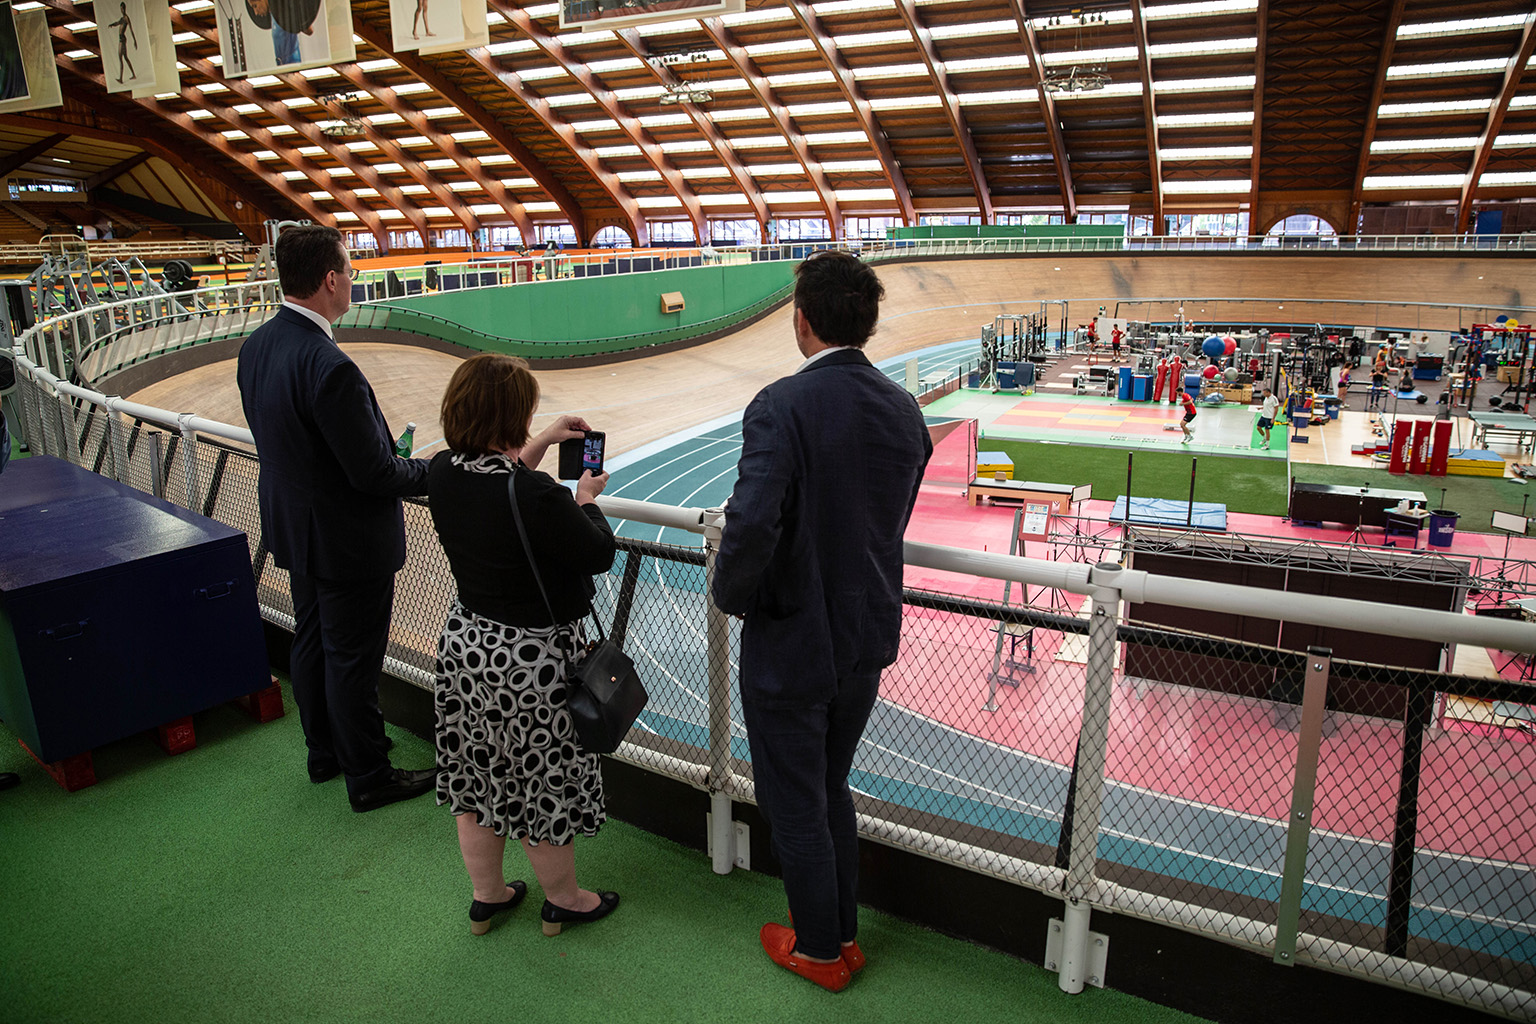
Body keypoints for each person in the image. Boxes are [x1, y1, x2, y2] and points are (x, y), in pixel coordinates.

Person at [713, 251, 932, 993]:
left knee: (794, 799)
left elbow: (749, 525)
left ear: (801, 319)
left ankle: (815, 950)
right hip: (863, 638)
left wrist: (732, 596)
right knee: (830, 784)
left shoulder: (781, 405)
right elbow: (888, 521)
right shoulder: (904, 410)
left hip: (791, 639)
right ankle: (841, 934)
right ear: (865, 323)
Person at [236, 224, 438, 813]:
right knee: (353, 657)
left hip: (292, 528)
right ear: (330, 280)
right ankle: (369, 773)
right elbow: (373, 474)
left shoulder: (259, 345)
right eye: (348, 271)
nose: (351, 281)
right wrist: (433, 474)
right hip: (346, 541)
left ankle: (323, 751)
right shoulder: (331, 366)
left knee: (312, 640)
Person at [427, 354, 619, 939]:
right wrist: (585, 499)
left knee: (476, 775)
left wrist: (541, 440)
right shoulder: (537, 496)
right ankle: (565, 900)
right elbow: (597, 554)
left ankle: (488, 896)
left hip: (466, 649)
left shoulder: (439, 471)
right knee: (541, 780)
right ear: (513, 416)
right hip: (531, 661)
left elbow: (499, 479)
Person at [245, 0, 322, 66]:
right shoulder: (274, 16)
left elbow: (309, 30)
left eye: (255, 6)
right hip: (282, 65)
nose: (255, 12)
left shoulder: (283, 11)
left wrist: (299, 21)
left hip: (293, 64)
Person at [107, 3, 137, 83]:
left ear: (125, 8)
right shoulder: (122, 18)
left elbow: (131, 29)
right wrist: (112, 24)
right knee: (125, 58)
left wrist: (134, 41)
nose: (122, 10)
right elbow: (117, 23)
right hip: (121, 39)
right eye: (121, 9)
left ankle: (121, 78)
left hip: (122, 40)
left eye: (123, 8)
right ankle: (132, 75)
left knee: (121, 58)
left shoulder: (126, 18)